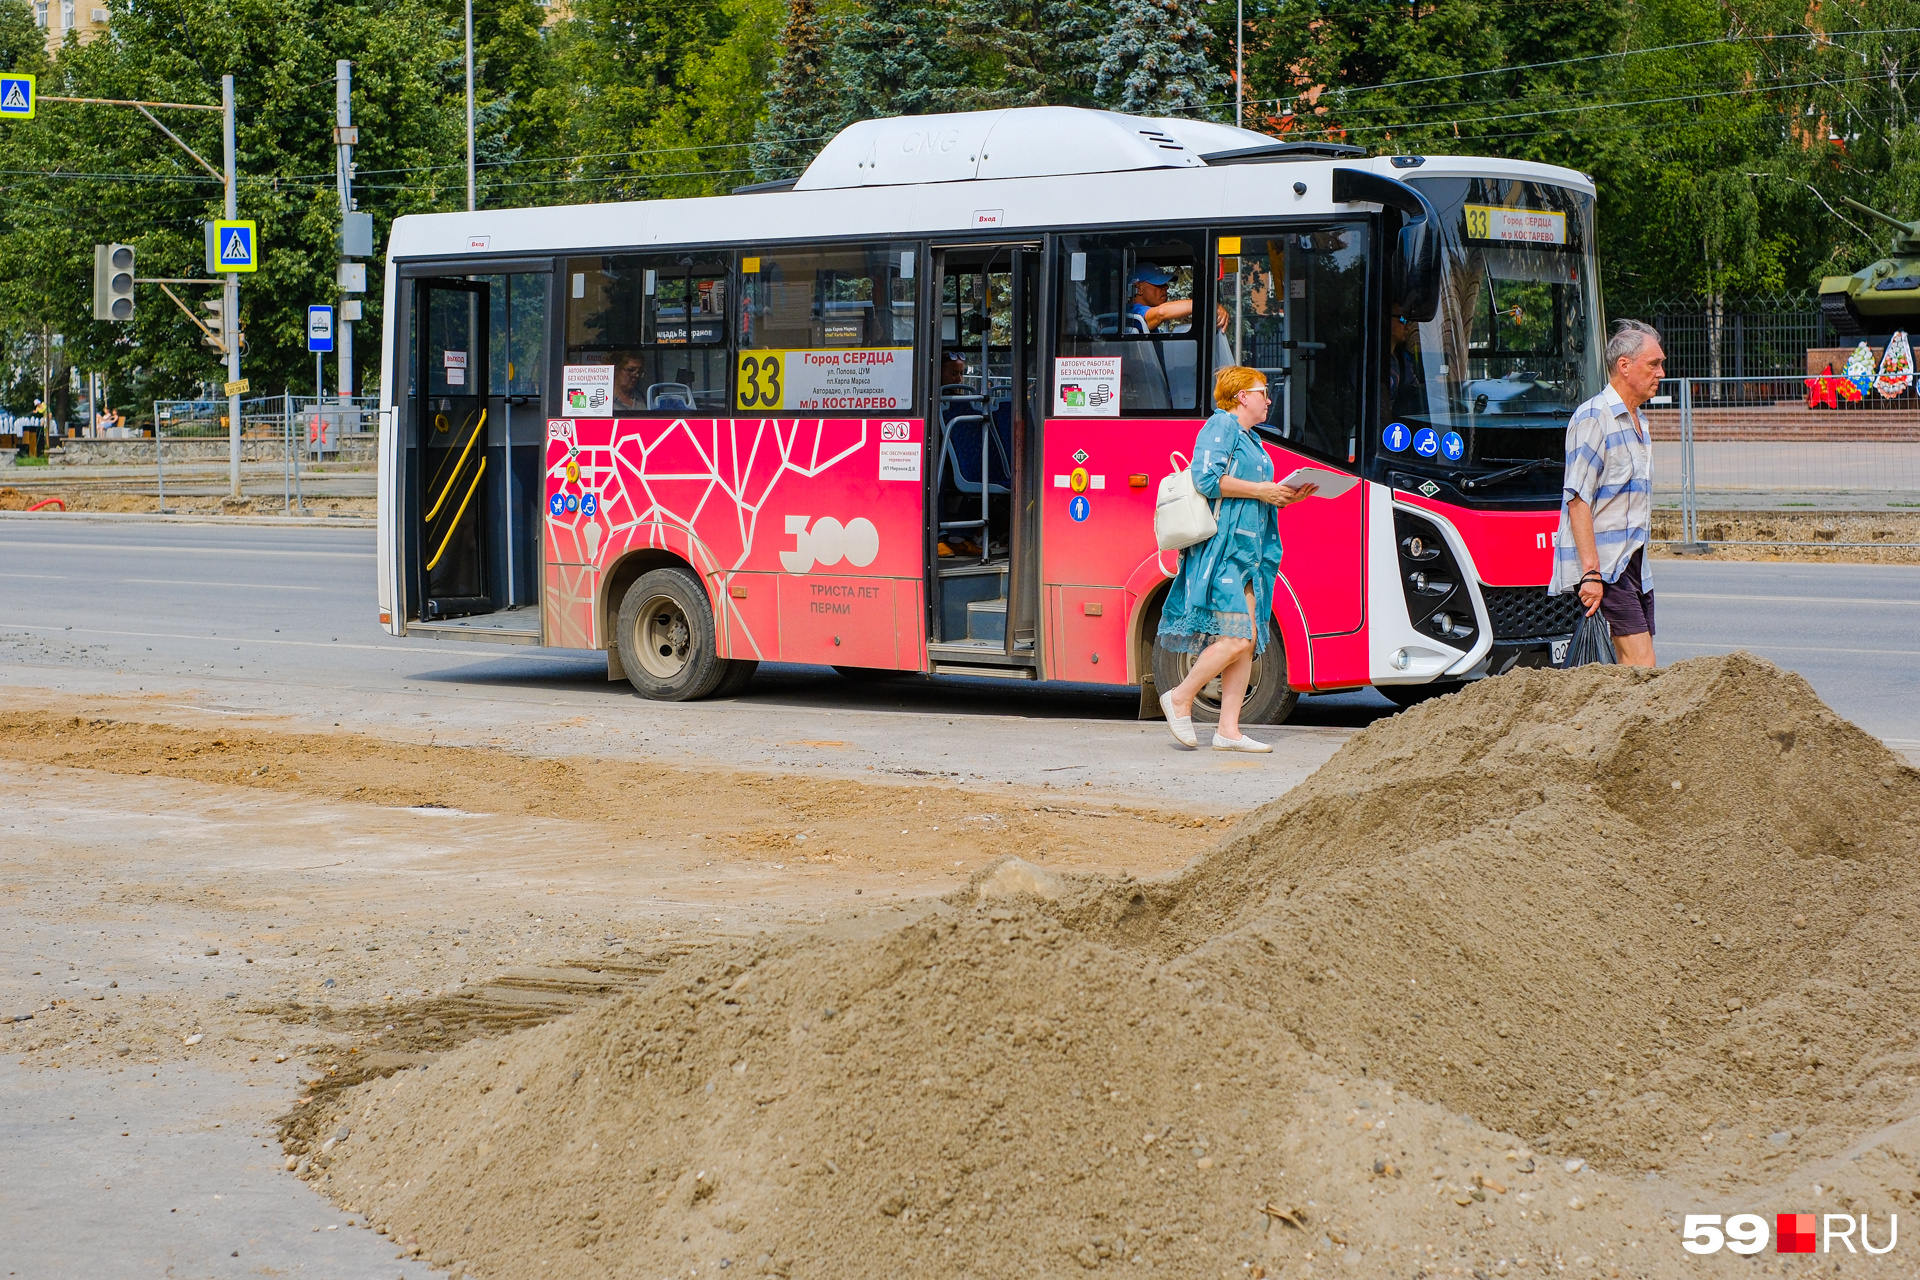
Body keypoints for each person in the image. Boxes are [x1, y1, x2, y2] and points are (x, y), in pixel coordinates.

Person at [1157, 366, 1317, 752]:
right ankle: (1180, 697)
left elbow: (1256, 493)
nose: (1269, 399)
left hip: (1252, 552)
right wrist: (1263, 490)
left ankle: (1228, 729)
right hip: (1224, 550)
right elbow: (1205, 479)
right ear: (1242, 396)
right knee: (1237, 637)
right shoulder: (1221, 426)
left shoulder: (1253, 440)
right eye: (1263, 391)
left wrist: (1286, 495)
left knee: (1248, 641)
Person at [1551, 318, 1663, 667]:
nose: (1661, 372)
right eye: (1654, 364)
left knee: (1631, 670)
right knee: (1642, 666)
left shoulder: (1639, 422)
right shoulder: (1594, 418)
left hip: (1633, 565)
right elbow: (1577, 498)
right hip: (1608, 568)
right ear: (1624, 366)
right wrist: (1591, 573)